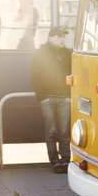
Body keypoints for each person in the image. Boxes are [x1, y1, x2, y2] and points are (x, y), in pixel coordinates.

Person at [31, 27, 72, 173]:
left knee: (64, 131)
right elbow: (34, 76)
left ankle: (66, 160)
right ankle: (54, 161)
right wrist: (41, 97)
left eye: (63, 36)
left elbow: (73, 74)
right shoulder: (40, 54)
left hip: (64, 98)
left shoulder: (68, 53)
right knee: (51, 130)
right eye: (59, 36)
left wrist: (69, 95)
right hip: (47, 98)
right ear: (50, 37)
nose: (62, 39)